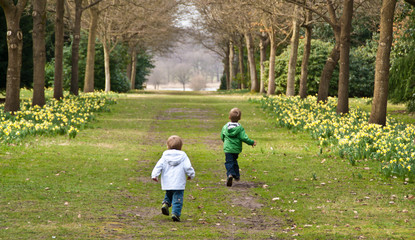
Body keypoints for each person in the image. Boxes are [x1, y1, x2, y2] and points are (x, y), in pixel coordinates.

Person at [151, 135, 195, 222]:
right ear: (181, 147)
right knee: (178, 197)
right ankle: (175, 213)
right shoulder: (183, 156)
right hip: (178, 181)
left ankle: (166, 203)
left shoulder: (165, 156)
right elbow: (188, 167)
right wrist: (191, 175)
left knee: (169, 193)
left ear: (167, 146)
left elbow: (158, 166)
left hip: (167, 180)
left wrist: (154, 175)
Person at [220, 108, 256, 187]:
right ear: (239, 118)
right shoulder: (240, 128)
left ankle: (230, 174)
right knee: (234, 160)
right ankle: (236, 175)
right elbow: (244, 138)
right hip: (236, 149)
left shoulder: (225, 127)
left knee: (229, 162)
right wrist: (251, 142)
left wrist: (225, 142)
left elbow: (222, 136)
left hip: (228, 148)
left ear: (229, 117)